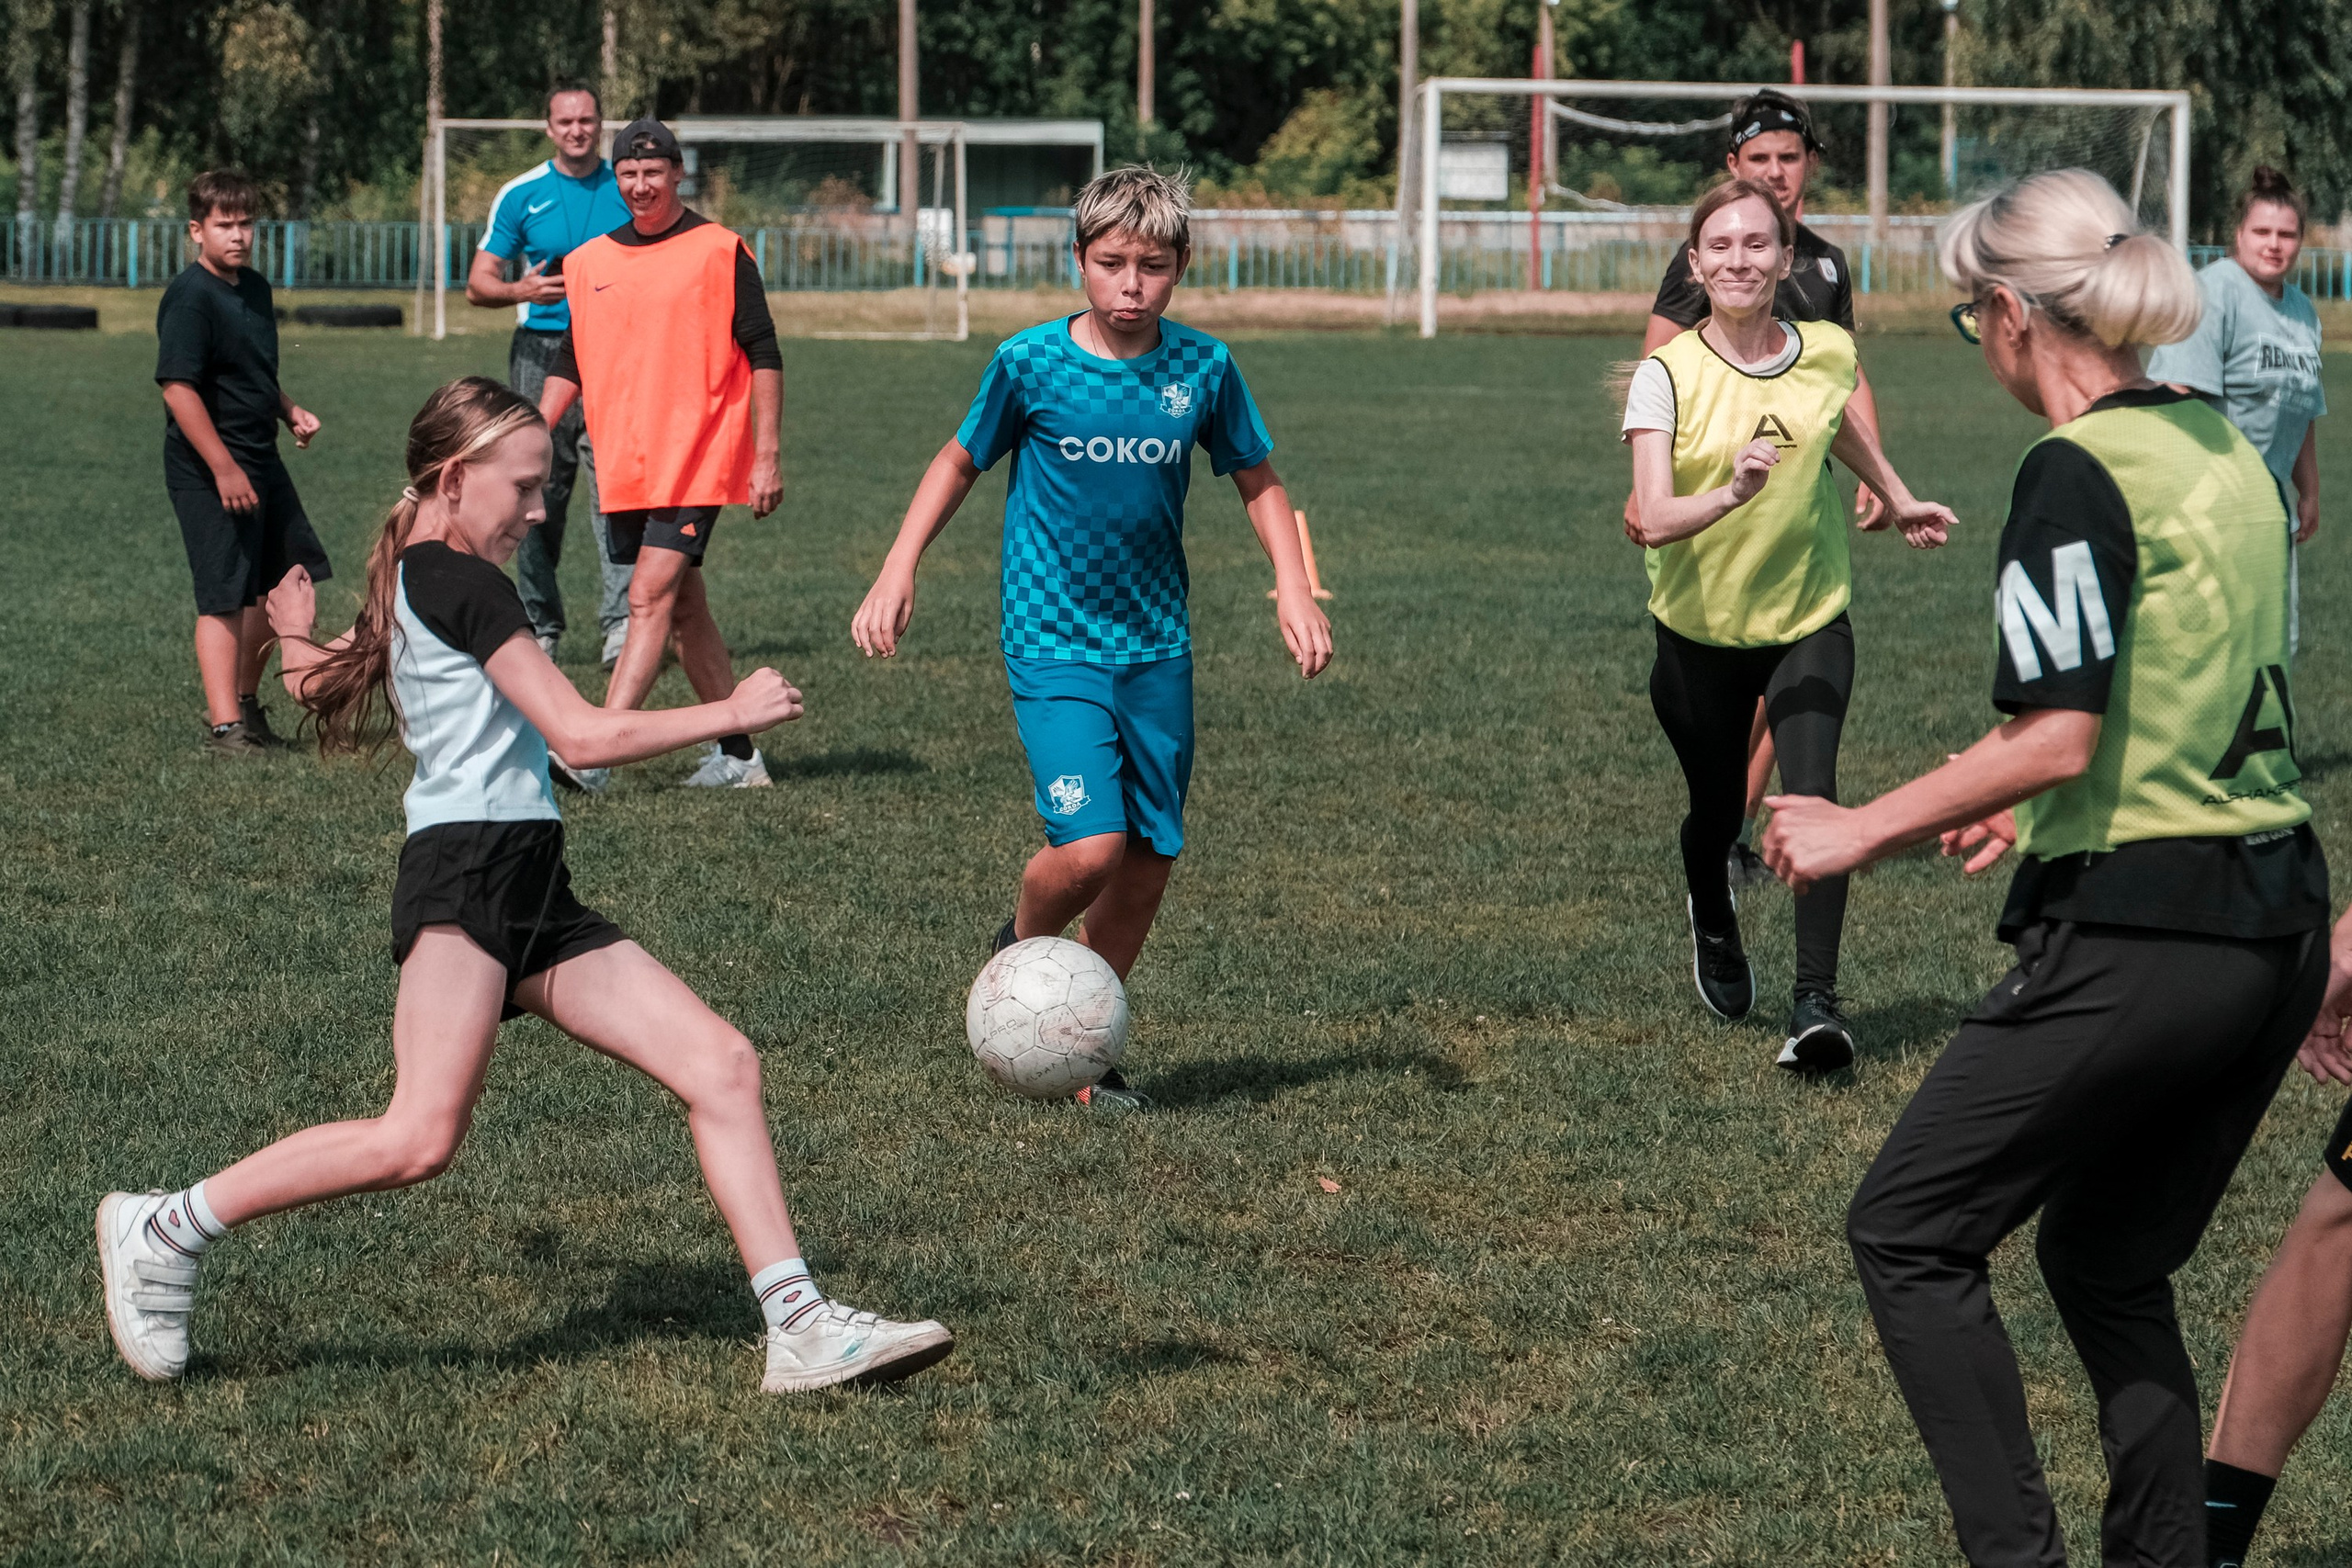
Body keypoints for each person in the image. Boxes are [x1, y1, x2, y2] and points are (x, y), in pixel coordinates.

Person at [96, 378, 954, 1394]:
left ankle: (801, 1326)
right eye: (527, 487)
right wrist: (731, 711)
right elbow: (580, 736)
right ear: (456, 480)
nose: (542, 510)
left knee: (721, 1064)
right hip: (466, 874)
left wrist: (291, 629)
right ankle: (165, 1226)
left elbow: (317, 683)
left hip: (529, 877)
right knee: (417, 1136)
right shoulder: (464, 582)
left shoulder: (419, 569)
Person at [1763, 169, 2329, 1568]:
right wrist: (2026, 799)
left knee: (1908, 1229)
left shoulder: (2070, 468)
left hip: (2149, 928)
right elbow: (2190, 680)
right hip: (2275, 924)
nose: (1981, 344)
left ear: (2015, 314)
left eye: (1974, 319)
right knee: (2105, 1257)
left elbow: (2060, 730)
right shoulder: (2220, 443)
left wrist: (1855, 824)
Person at [849, 165, 1333, 1112]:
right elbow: (958, 460)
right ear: (1079, 259)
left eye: (1151, 266)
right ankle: (1019, 955)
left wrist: (1291, 586)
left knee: (1148, 861)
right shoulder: (1029, 363)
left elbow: (1258, 478)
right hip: (1052, 639)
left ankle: (1079, 1047)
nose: (1131, 285)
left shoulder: (1203, 368)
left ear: (1180, 266)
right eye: (1112, 263)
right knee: (1091, 849)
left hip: (1155, 645)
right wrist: (897, 566)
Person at [1622, 177, 1953, 1072]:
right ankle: (1711, 907)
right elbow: (1653, 516)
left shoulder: (1827, 350)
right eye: (1720, 246)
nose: (1739, 259)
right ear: (1696, 265)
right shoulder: (1665, 376)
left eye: (1756, 244)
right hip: (1697, 633)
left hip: (1809, 615)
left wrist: (1896, 493)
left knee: (1814, 792)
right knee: (1714, 810)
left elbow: (1835, 423)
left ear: (1785, 258)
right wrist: (1730, 492)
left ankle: (1815, 1008)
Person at [1633, 89, 1892, 889]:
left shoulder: (1826, 263)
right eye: (1759, 159)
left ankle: (1747, 827)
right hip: (1717, 499)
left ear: (1810, 164)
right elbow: (1658, 367)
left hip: (1797, 493)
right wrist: (1645, 486)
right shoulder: (1721, 255)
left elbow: (1844, 371)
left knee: (1795, 670)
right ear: (1734, 165)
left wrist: (1879, 472)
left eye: (1789, 157)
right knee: (1738, 685)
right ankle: (1725, 828)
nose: (1776, 172)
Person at [537, 117, 784, 792]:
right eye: (629, 173)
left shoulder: (720, 250)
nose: (641, 185)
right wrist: (531, 429)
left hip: (700, 455)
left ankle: (593, 756)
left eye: (653, 172)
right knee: (683, 609)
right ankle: (740, 757)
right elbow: (571, 358)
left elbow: (763, 352)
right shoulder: (588, 261)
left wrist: (766, 455)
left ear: (678, 173)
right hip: (627, 463)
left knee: (646, 597)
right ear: (615, 179)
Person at [156, 168, 331, 754]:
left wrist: (288, 410)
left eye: (246, 223)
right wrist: (223, 468)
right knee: (224, 591)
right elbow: (179, 389)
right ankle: (225, 727)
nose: (237, 235)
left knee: (279, 579)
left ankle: (248, 706)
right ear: (196, 230)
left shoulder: (253, 287)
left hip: (261, 457)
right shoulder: (190, 297)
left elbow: (251, 372)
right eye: (223, 225)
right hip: (210, 469)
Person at [467, 80, 635, 667]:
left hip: (617, 356)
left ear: (600, 124)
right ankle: (539, 624)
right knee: (535, 490)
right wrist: (522, 289)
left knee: (617, 492)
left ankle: (621, 625)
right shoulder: (521, 194)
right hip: (540, 355)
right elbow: (478, 283)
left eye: (586, 120)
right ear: (549, 128)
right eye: (566, 122)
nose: (577, 130)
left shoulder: (627, 186)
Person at [2148, 164, 2324, 651]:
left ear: (2300, 241)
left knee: (2273, 646)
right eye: (2262, 232)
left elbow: (2301, 407)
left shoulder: (2303, 311)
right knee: (2213, 647)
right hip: (2211, 505)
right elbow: (2172, 395)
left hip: (2268, 507)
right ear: (2239, 235)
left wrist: (2309, 491)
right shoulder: (2215, 290)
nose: (2274, 244)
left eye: (2287, 234)